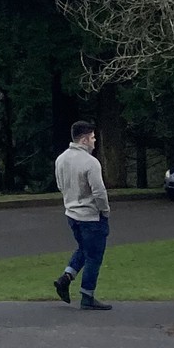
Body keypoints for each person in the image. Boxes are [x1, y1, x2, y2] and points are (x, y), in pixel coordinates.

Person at [53, 120, 112, 310]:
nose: (95, 142)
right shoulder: (91, 163)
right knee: (94, 256)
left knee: (83, 248)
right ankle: (87, 295)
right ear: (85, 139)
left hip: (71, 213)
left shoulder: (61, 159)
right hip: (90, 215)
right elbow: (99, 192)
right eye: (93, 138)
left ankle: (66, 277)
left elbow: (60, 186)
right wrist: (105, 210)